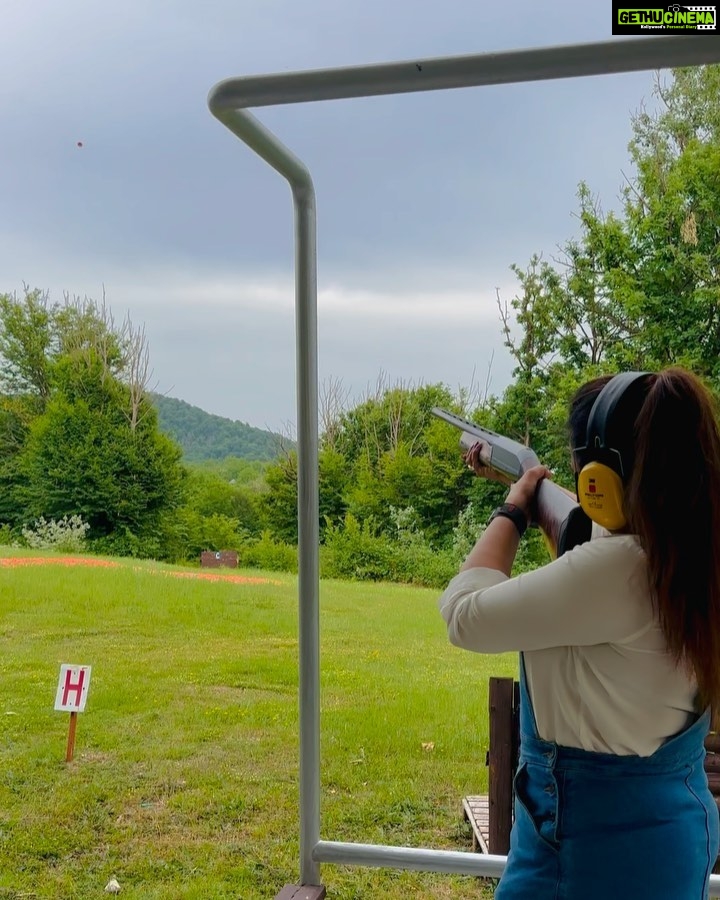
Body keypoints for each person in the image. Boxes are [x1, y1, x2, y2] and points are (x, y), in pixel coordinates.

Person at [438, 367, 720, 899]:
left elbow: (462, 613)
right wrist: (531, 481)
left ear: (601, 479)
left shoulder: (619, 570)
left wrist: (515, 506)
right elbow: (582, 528)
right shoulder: (693, 553)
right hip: (669, 832)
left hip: (586, 851)